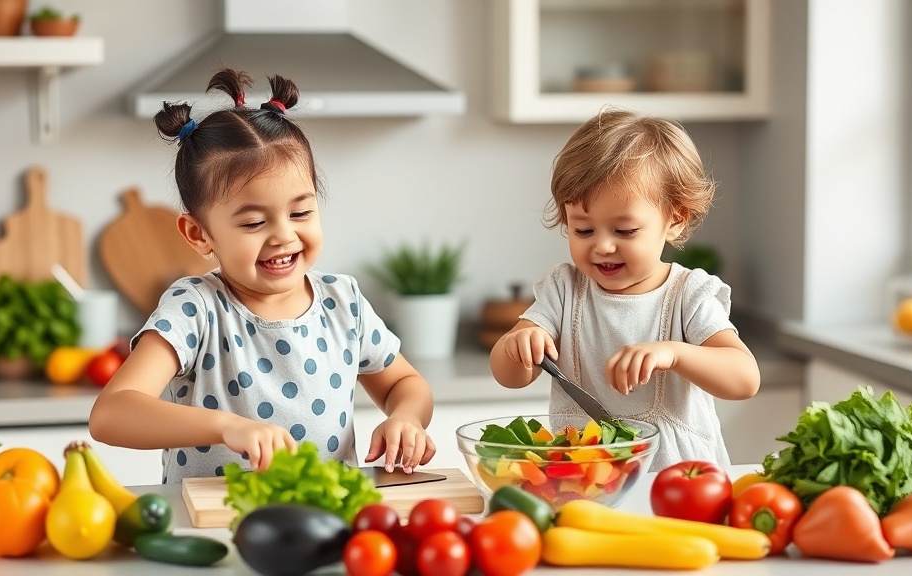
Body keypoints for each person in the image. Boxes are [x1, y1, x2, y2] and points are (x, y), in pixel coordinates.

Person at [89, 69, 436, 484]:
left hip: (327, 522)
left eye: (301, 212)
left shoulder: (342, 300)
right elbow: (111, 414)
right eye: (254, 223)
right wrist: (224, 427)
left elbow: (405, 383)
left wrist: (406, 419)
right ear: (199, 234)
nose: (284, 236)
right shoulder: (195, 308)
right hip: (216, 527)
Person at [489, 109, 760, 471]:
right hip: (585, 482)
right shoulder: (564, 290)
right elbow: (511, 377)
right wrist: (516, 347)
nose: (601, 246)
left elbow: (744, 379)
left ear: (675, 220)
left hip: (680, 486)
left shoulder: (687, 295)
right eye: (583, 230)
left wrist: (674, 354)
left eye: (625, 231)